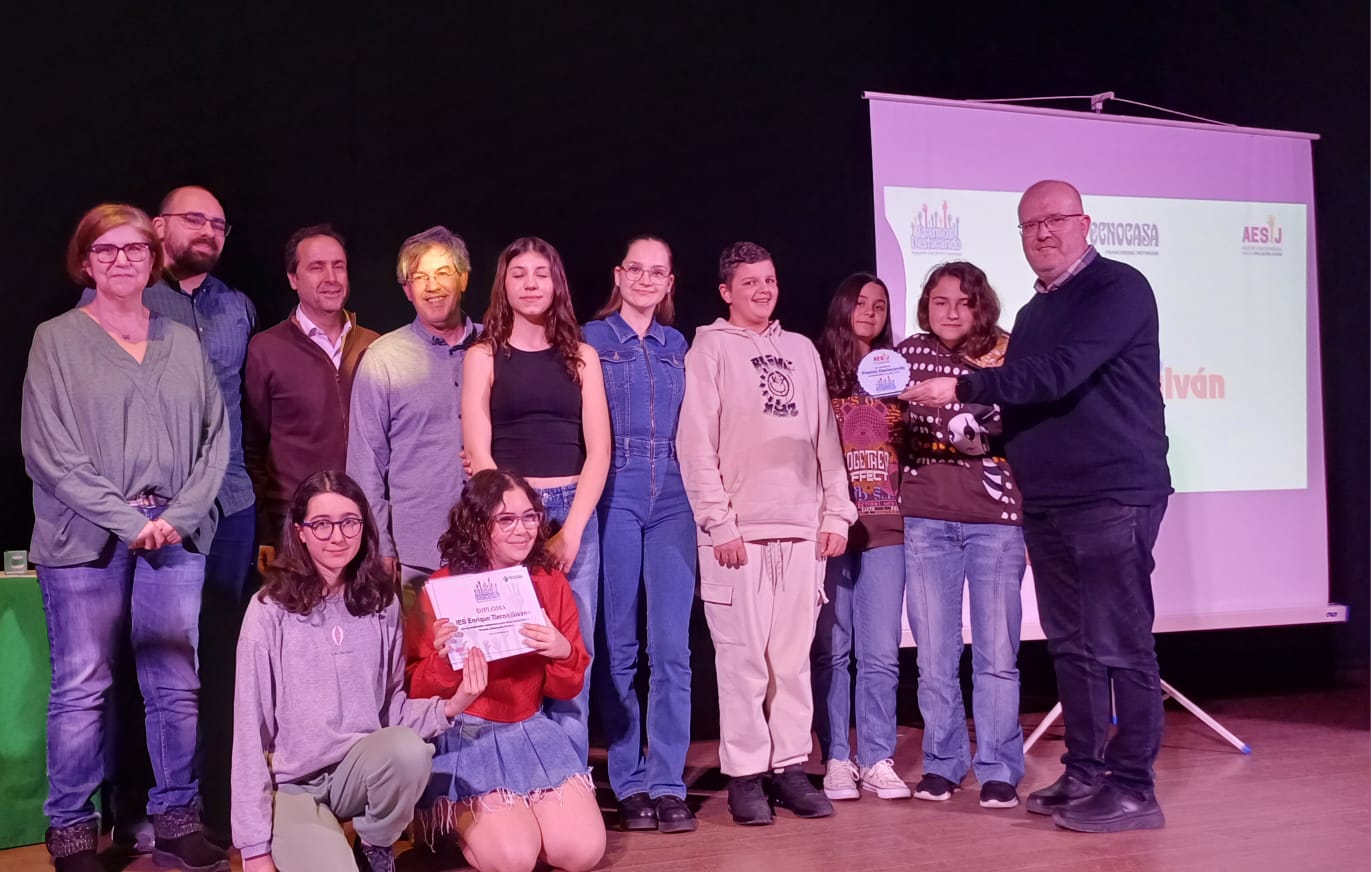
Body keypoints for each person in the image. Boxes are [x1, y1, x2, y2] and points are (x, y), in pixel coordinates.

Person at [905, 180, 1172, 832]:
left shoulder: (1117, 288)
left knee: (1120, 644)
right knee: (1072, 647)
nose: (1043, 233)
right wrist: (974, 428)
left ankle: (1133, 788)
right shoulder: (1031, 314)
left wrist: (960, 384)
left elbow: (1060, 374)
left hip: (1111, 494)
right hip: (1049, 500)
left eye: (1055, 220)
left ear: (1084, 223)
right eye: (1030, 225)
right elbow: (1019, 403)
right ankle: (1084, 772)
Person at [21, 203, 229, 872]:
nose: (121, 260)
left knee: (175, 684)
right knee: (83, 687)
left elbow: (215, 439)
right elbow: (48, 452)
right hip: (85, 538)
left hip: (173, 533)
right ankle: (73, 832)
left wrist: (181, 514)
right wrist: (127, 520)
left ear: (153, 258)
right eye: (105, 250)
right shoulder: (56, 340)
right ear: (85, 262)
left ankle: (176, 821)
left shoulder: (182, 341)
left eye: (134, 249)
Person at [78, 185, 259, 845]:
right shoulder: (120, 296)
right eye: (194, 219)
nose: (208, 231)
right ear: (158, 228)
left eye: (219, 223)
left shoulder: (238, 306)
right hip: (143, 510)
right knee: (137, 662)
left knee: (214, 663)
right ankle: (132, 809)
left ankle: (207, 810)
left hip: (228, 504)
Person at [676, 241, 857, 826]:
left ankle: (790, 767)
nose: (762, 290)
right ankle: (746, 776)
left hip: (801, 530)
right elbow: (695, 443)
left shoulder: (800, 350)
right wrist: (718, 521)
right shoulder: (709, 350)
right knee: (743, 663)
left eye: (770, 280)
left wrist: (836, 514)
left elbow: (826, 437)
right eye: (749, 282)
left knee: (792, 662)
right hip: (739, 534)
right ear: (726, 291)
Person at [232, 470, 475, 872]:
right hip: (295, 784)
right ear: (300, 532)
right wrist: (254, 849)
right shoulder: (268, 610)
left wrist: (452, 705)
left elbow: (392, 710)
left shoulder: (382, 602)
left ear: (364, 527)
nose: (337, 536)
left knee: (410, 751)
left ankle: (375, 842)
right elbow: (247, 732)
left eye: (349, 522)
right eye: (321, 524)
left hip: (359, 770)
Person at [405, 469, 605, 872]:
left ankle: (522, 815)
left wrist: (562, 651)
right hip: (467, 735)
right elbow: (415, 690)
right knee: (514, 858)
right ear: (478, 525)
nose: (523, 529)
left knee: (582, 852)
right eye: (507, 519)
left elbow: (565, 688)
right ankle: (461, 821)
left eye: (530, 517)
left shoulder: (549, 581)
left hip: (529, 729)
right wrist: (444, 662)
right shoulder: (441, 588)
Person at [461, 236, 611, 763]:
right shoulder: (482, 355)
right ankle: (518, 772)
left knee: (571, 646)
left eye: (541, 274)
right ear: (503, 284)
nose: (530, 284)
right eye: (519, 274)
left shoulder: (583, 357)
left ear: (556, 284)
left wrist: (571, 530)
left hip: (572, 509)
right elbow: (478, 450)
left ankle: (568, 776)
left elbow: (600, 451)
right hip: (505, 515)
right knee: (511, 647)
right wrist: (513, 519)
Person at [894, 262, 1027, 810]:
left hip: (995, 522)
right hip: (926, 518)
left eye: (963, 302)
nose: (950, 312)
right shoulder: (905, 354)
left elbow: (1027, 421)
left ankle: (999, 768)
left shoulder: (1007, 353)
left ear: (981, 307)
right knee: (934, 656)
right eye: (939, 301)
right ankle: (943, 763)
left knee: (996, 653)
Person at [583, 236, 697, 833]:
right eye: (637, 269)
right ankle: (628, 781)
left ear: (669, 282)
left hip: (675, 493)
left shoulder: (678, 345)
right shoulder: (592, 339)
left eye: (658, 272)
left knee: (673, 650)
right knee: (620, 647)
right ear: (619, 275)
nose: (647, 279)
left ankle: (668, 782)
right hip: (616, 490)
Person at [810, 273, 911, 802]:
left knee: (881, 653)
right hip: (832, 527)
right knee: (831, 649)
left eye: (880, 305)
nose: (870, 312)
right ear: (842, 306)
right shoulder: (815, 369)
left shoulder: (898, 373)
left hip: (887, 525)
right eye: (861, 302)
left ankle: (875, 757)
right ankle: (835, 758)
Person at [348, 226, 482, 589]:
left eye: (443, 273)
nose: (432, 286)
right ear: (407, 290)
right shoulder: (383, 359)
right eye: (420, 277)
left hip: (495, 548)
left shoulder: (496, 347)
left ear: (464, 279)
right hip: (416, 557)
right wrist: (379, 544)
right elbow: (365, 463)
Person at [244, 224, 379, 544]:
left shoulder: (375, 345)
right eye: (317, 267)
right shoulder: (266, 348)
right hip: (296, 523)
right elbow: (253, 448)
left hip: (362, 518)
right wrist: (267, 528)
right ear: (293, 278)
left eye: (338, 266)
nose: (331, 277)